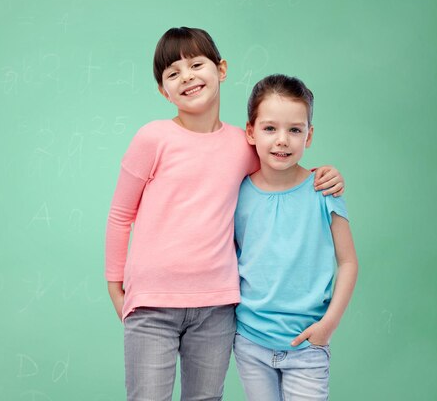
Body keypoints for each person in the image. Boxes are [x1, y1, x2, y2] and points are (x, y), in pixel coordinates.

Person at [105, 28, 344, 401]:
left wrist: (323, 173)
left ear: (222, 69)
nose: (186, 76)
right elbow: (121, 214)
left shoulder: (242, 143)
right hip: (152, 303)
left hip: (217, 306)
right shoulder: (152, 138)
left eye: (196, 64)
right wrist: (114, 285)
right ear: (161, 90)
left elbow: (280, 166)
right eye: (173, 73)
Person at [233, 74, 359, 401]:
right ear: (250, 131)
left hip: (307, 346)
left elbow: (347, 261)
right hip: (251, 342)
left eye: (295, 130)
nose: (282, 141)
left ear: (309, 135)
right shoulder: (237, 192)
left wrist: (328, 325)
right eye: (270, 128)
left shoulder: (324, 190)